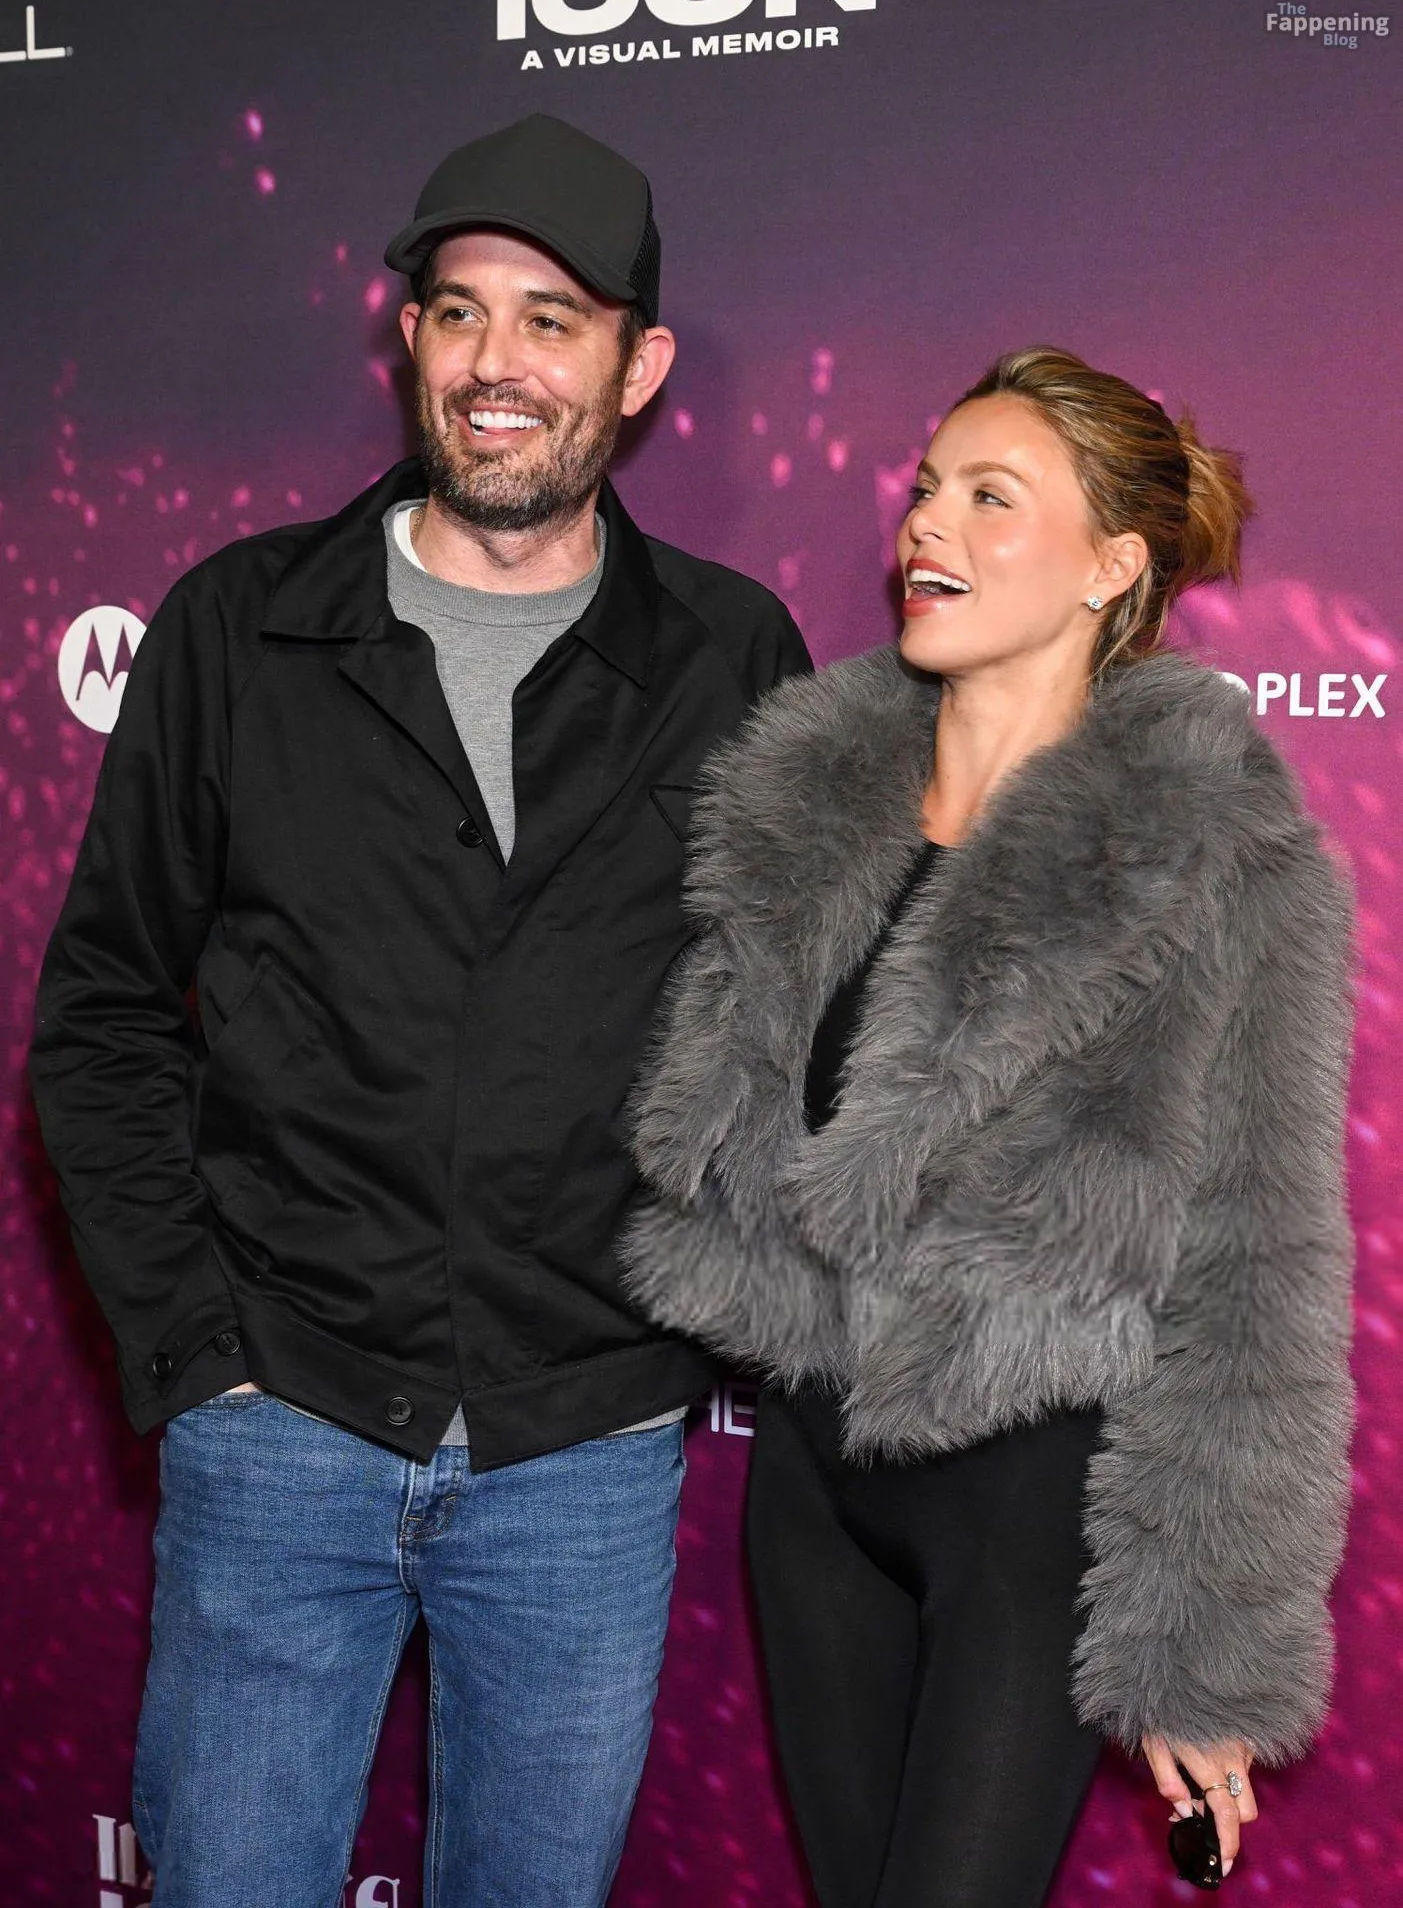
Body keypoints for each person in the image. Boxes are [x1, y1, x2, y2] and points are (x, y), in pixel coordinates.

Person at [29, 112, 810, 1908]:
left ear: (638, 365)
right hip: (276, 1425)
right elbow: (107, 1016)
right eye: (458, 313)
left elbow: (784, 1032)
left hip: (583, 1454)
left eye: (551, 319)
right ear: (408, 342)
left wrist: (694, 1311)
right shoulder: (237, 628)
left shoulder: (732, 656)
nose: (494, 363)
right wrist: (198, 1357)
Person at [623, 347, 1354, 1908]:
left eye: (988, 496)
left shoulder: (1223, 857)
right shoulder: (798, 817)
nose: (925, 527)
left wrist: (1200, 1639)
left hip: (1026, 1504)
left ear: (1110, 566)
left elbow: (1260, 1265)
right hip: (806, 1482)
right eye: (924, 488)